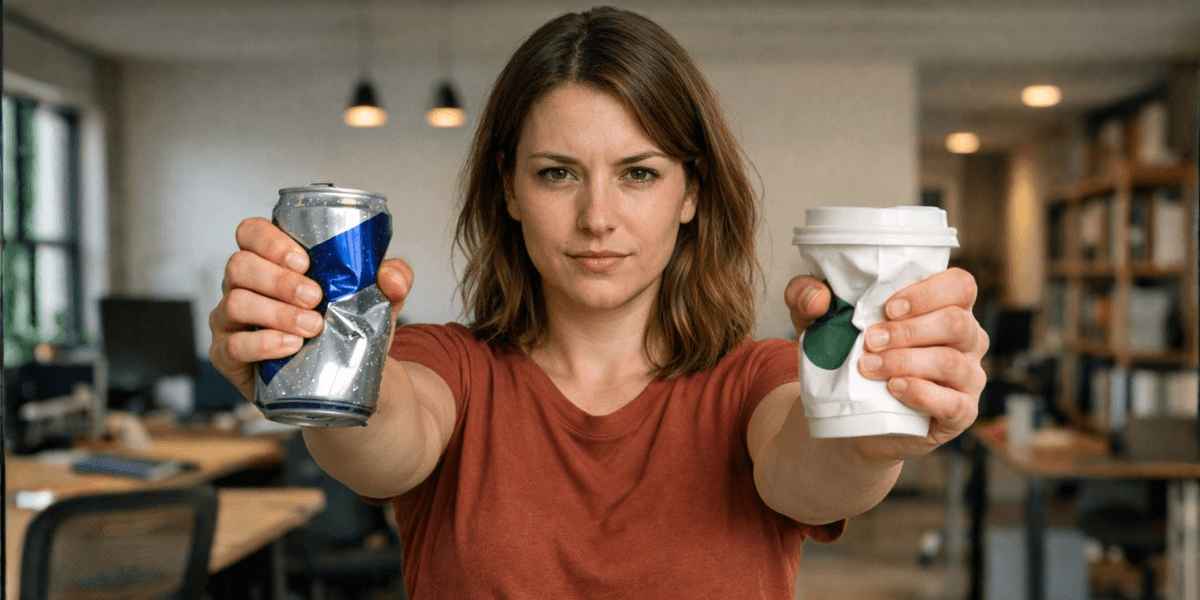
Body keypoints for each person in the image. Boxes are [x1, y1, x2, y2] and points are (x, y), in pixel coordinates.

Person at [209, 6, 987, 598]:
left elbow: (815, 468)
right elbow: (382, 441)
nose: (597, 217)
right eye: (557, 173)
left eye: (639, 173)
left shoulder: (757, 382)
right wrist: (318, 360)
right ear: (509, 189)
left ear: (692, 193)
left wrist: (878, 429)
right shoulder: (447, 368)